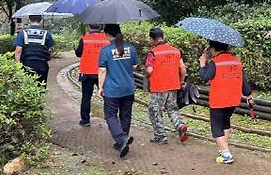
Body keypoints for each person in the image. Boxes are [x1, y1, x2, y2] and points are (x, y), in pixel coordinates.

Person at [198, 40, 254, 164]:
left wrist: (202, 64)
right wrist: (248, 95)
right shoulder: (236, 61)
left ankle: (226, 154)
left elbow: (205, 76)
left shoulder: (215, 62)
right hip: (233, 100)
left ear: (213, 49)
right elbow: (244, 82)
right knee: (225, 123)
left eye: (210, 49)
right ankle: (223, 149)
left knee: (216, 127)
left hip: (219, 100)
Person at [98, 24, 138, 158]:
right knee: (125, 115)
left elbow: (102, 70)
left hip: (112, 89)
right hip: (128, 88)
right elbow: (134, 65)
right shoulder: (131, 48)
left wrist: (100, 87)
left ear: (108, 35)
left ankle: (121, 139)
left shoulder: (106, 50)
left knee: (110, 115)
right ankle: (122, 141)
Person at [145, 27, 189, 144]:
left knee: (154, 110)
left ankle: (160, 136)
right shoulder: (175, 51)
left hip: (159, 87)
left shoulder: (152, 53)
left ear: (152, 39)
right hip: (173, 85)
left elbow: (149, 70)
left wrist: (146, 73)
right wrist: (182, 81)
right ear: (163, 37)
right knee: (172, 109)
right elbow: (183, 69)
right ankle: (180, 126)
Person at [75, 24, 109, 127]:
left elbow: (78, 53)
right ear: (100, 28)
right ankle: (110, 119)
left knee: (86, 97)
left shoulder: (84, 39)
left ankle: (85, 120)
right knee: (107, 97)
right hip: (102, 73)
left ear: (89, 27)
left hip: (87, 73)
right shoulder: (106, 40)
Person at [14, 14, 55, 84]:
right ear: (41, 20)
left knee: (27, 87)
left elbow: (18, 51)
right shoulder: (46, 34)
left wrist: (17, 66)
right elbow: (51, 48)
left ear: (29, 20)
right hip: (42, 65)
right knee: (41, 87)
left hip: (27, 65)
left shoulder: (23, 33)